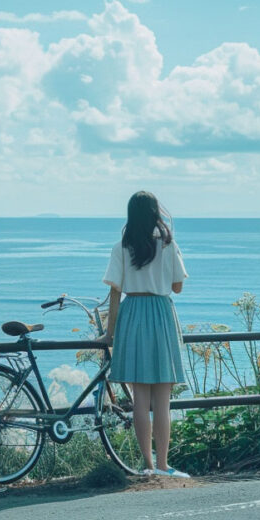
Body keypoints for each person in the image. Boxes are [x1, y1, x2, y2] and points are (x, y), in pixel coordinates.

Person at [100, 191, 189, 478]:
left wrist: (109, 333)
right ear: (155, 213)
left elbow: (115, 291)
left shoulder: (121, 247)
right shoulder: (168, 244)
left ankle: (148, 466)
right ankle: (164, 465)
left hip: (133, 313)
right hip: (161, 314)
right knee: (163, 399)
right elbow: (177, 287)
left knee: (140, 398)